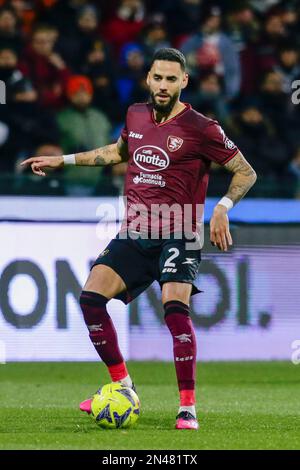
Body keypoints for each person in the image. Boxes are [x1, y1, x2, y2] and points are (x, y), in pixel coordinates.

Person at [21, 48, 257, 430]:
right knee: (91, 299)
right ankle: (123, 386)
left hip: (180, 231)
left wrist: (223, 206)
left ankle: (187, 408)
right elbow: (117, 152)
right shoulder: (135, 114)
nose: (163, 86)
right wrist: (61, 160)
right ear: (148, 79)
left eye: (171, 79)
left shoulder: (202, 127)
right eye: (157, 78)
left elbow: (245, 171)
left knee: (174, 310)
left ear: (184, 82)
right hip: (135, 231)